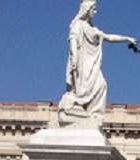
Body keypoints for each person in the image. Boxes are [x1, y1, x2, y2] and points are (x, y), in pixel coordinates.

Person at [57, 0, 136, 128]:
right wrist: (74, 58)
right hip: (82, 62)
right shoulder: (78, 25)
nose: (95, 12)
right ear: (87, 10)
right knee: (84, 88)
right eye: (93, 9)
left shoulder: (93, 29)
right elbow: (73, 40)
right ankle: (79, 109)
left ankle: (93, 115)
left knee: (101, 85)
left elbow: (109, 37)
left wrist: (126, 38)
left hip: (92, 64)